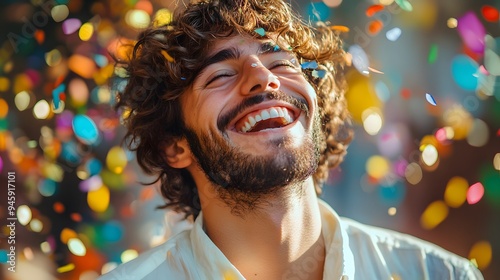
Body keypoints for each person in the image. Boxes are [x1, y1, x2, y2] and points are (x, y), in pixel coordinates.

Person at [100, 0, 484, 279]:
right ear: (175, 146)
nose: (263, 78)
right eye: (219, 76)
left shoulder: (438, 274)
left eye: (281, 63)